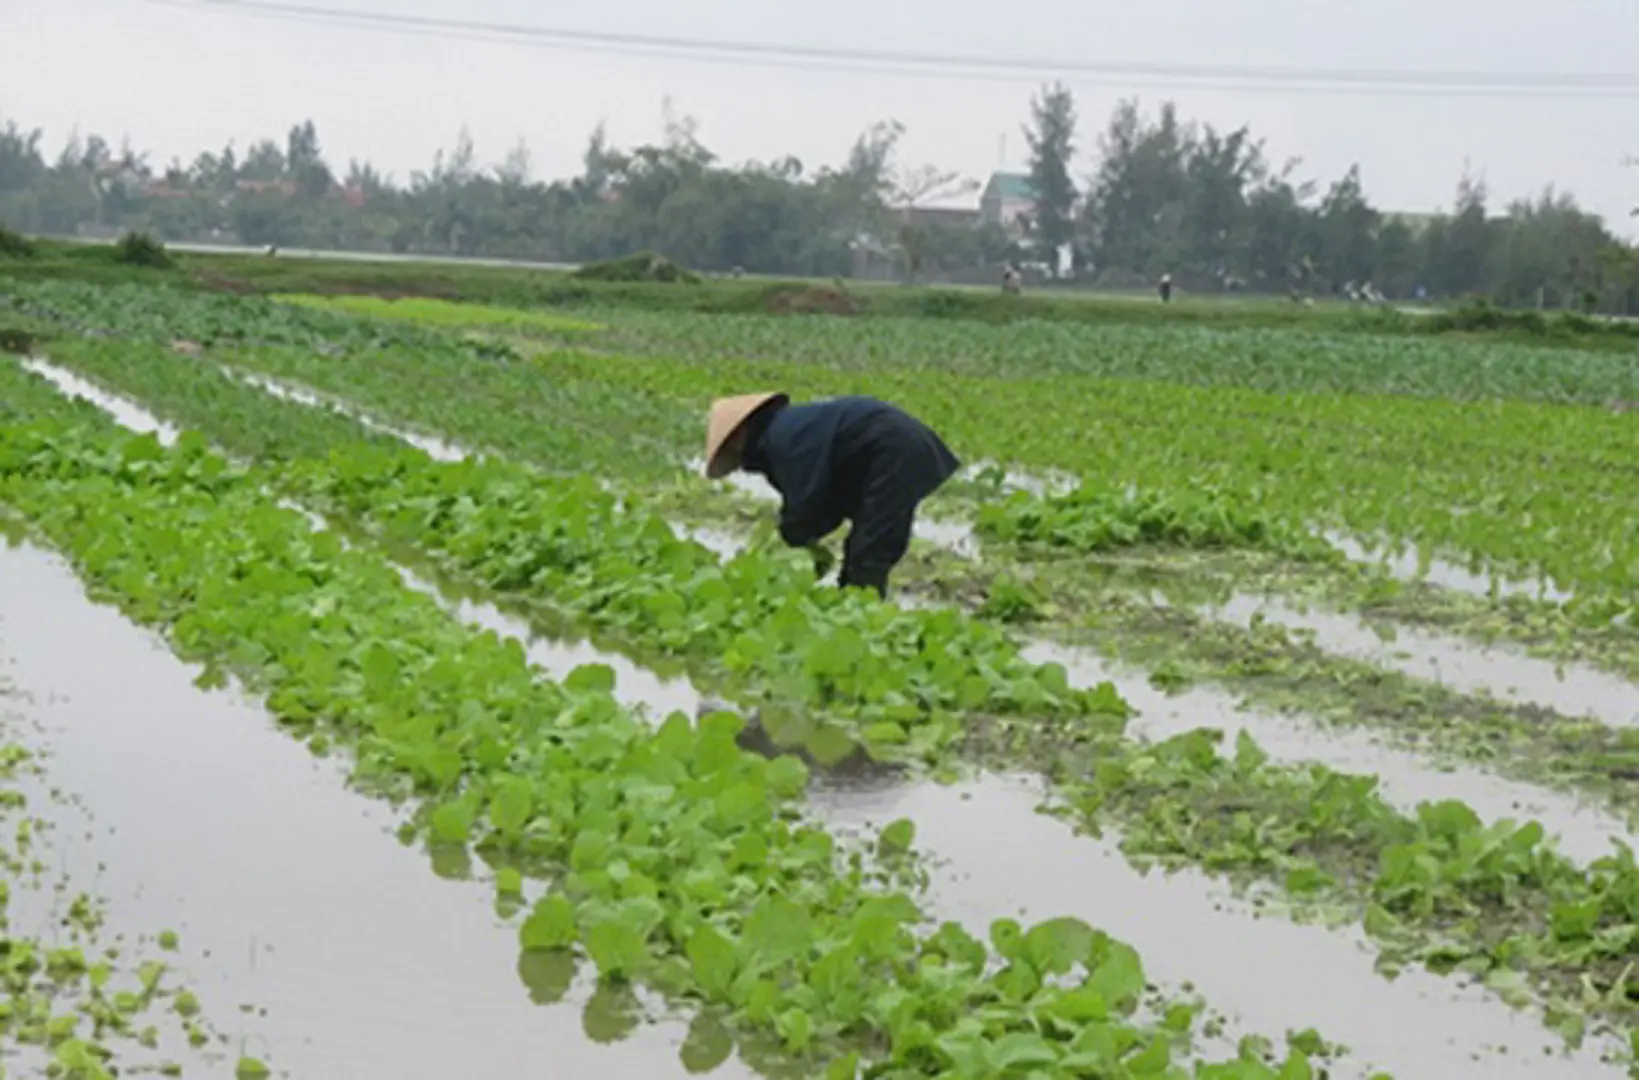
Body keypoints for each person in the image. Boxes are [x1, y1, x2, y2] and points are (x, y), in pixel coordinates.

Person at [703, 393, 960, 598]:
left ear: (738, 436)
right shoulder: (783, 431)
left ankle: (865, 619)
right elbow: (827, 499)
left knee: (869, 553)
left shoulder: (782, 437)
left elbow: (806, 499)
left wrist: (794, 535)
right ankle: (859, 609)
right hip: (887, 452)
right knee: (865, 547)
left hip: (894, 452)